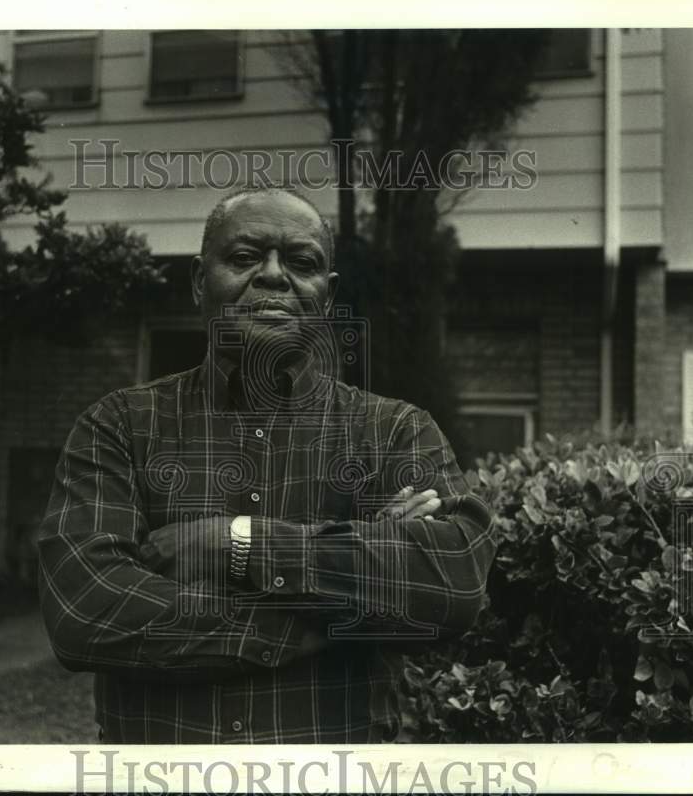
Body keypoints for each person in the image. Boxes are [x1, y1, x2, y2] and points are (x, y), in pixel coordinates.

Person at [37, 187, 497, 743]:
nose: (274, 276)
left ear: (326, 297)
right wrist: (340, 604)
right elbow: (86, 613)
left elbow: (450, 584)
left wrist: (234, 543)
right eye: (244, 257)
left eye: (301, 263)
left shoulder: (395, 431)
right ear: (198, 281)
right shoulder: (118, 427)